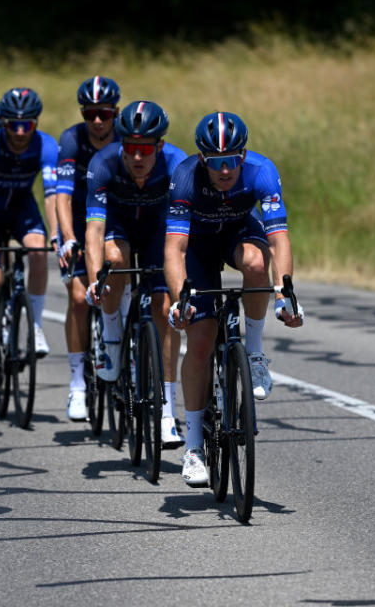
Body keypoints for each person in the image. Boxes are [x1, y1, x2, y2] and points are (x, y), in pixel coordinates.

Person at [164, 111, 305, 486]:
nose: (225, 170)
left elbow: (278, 238)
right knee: (200, 339)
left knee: (258, 264)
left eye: (232, 161)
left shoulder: (262, 170)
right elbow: (175, 249)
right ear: (203, 159)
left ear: (243, 156)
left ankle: (254, 355)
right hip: (197, 244)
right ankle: (193, 447)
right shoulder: (184, 177)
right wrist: (181, 299)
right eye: (216, 162)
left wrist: (285, 291)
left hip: (238, 233)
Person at [84, 100, 186, 446]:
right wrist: (97, 278)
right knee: (116, 256)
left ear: (159, 145)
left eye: (146, 149)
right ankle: (112, 337)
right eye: (131, 148)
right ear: (121, 145)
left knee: (165, 311)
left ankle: (168, 411)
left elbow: (186, 231)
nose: (138, 157)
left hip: (160, 230)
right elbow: (94, 232)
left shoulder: (177, 163)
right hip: (119, 226)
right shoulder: (102, 163)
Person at [0, 87, 58, 385]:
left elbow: (51, 195)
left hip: (22, 208)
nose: (20, 133)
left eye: (27, 125)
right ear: (3, 124)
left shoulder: (46, 145)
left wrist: (57, 233)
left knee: (37, 251)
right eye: (13, 125)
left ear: (36, 124)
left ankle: (35, 326)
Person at [55, 76, 121, 420]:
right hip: (79, 220)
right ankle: (77, 384)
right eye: (91, 113)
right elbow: (62, 197)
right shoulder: (71, 140)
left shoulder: (128, 139)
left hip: (118, 217)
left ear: (115, 113)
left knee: (126, 283)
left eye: (104, 113)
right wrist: (67, 236)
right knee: (80, 299)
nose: (97, 120)